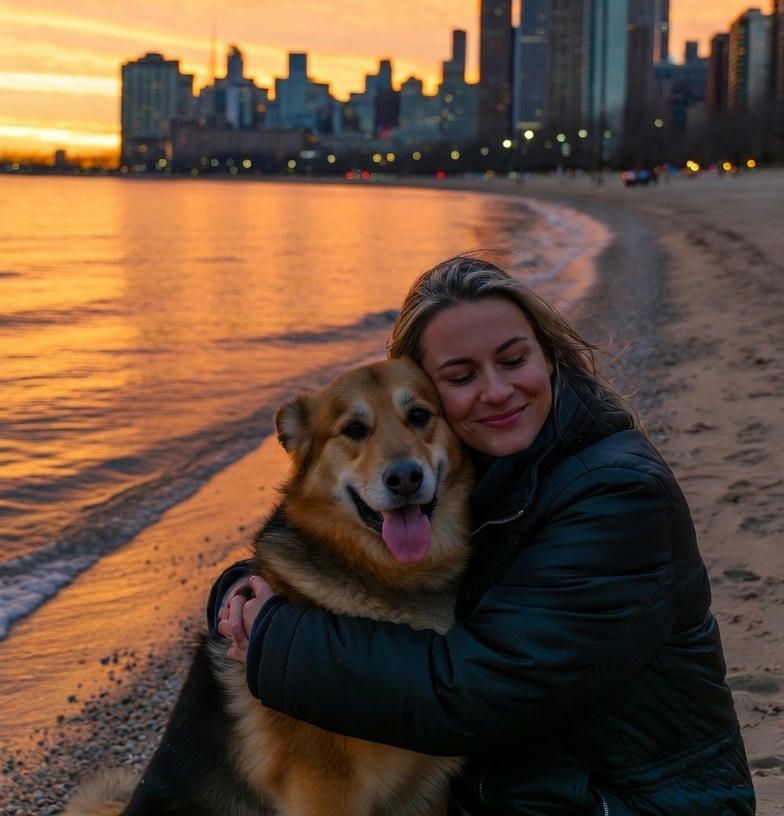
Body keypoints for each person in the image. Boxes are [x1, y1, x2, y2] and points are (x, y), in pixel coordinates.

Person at [209, 256, 755, 815]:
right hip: (537, 791)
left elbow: (470, 694)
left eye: (514, 360)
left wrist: (272, 635)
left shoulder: (618, 496)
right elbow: (323, 551)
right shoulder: (479, 477)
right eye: (462, 376)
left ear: (549, 357)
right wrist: (236, 594)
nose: (496, 391)